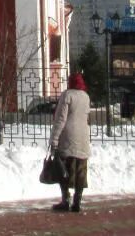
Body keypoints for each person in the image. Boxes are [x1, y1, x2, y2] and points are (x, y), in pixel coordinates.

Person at [49, 72, 91, 213]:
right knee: (81, 171)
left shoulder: (67, 95)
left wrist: (54, 139)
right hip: (83, 138)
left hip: (68, 138)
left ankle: (65, 200)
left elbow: (60, 119)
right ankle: (77, 201)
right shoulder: (86, 96)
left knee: (64, 170)